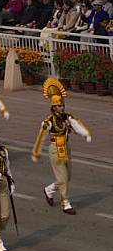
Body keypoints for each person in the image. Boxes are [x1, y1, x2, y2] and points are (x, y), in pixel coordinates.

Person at [32, 79, 91, 215]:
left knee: (67, 177)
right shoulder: (48, 121)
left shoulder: (67, 117)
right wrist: (36, 151)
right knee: (63, 178)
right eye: (58, 106)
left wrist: (86, 134)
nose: (61, 108)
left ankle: (49, 190)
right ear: (53, 107)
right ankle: (65, 203)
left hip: (66, 148)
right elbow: (41, 136)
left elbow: (77, 125)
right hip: (55, 150)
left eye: (62, 105)